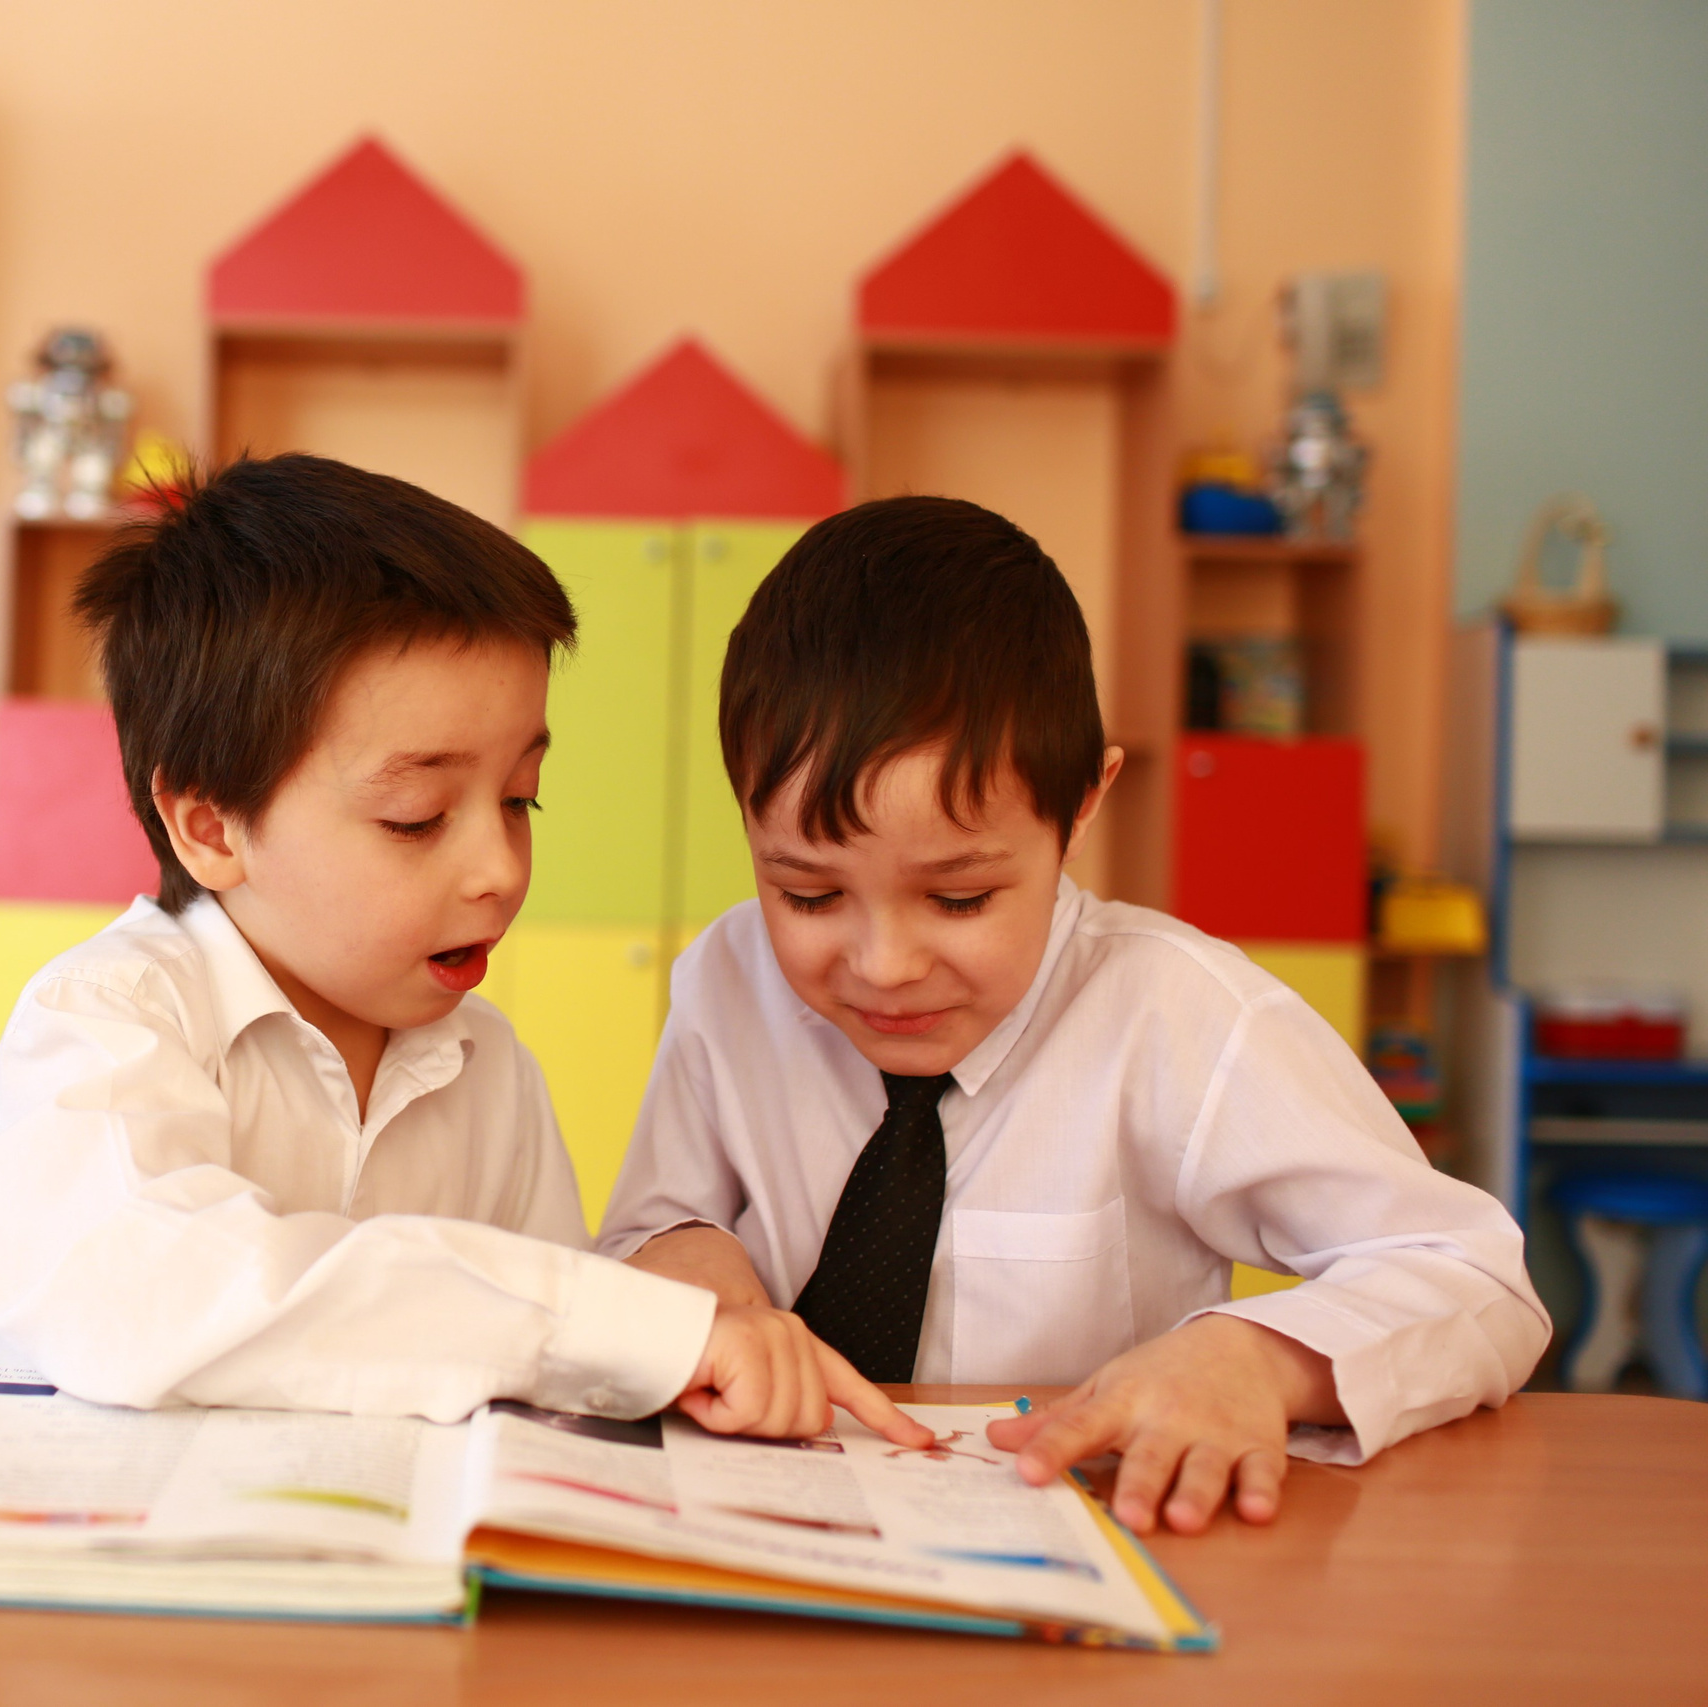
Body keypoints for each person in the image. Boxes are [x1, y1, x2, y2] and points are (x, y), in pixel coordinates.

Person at [0, 455, 925, 1445]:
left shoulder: (491, 1075)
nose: (499, 868)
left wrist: (652, 1352)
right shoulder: (104, 1023)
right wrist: (616, 1330)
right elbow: (155, 1292)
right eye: (418, 815)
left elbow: (550, 1393)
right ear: (211, 826)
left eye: (521, 799)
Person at [600, 496, 1548, 1533]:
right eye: (808, 893)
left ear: (1082, 806)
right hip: (770, 1535)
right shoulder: (727, 982)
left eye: (959, 897)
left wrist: (1258, 1360)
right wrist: (681, 1257)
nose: (884, 966)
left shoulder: (1181, 1016)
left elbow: (1475, 1279)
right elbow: (645, 1233)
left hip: (1080, 1548)